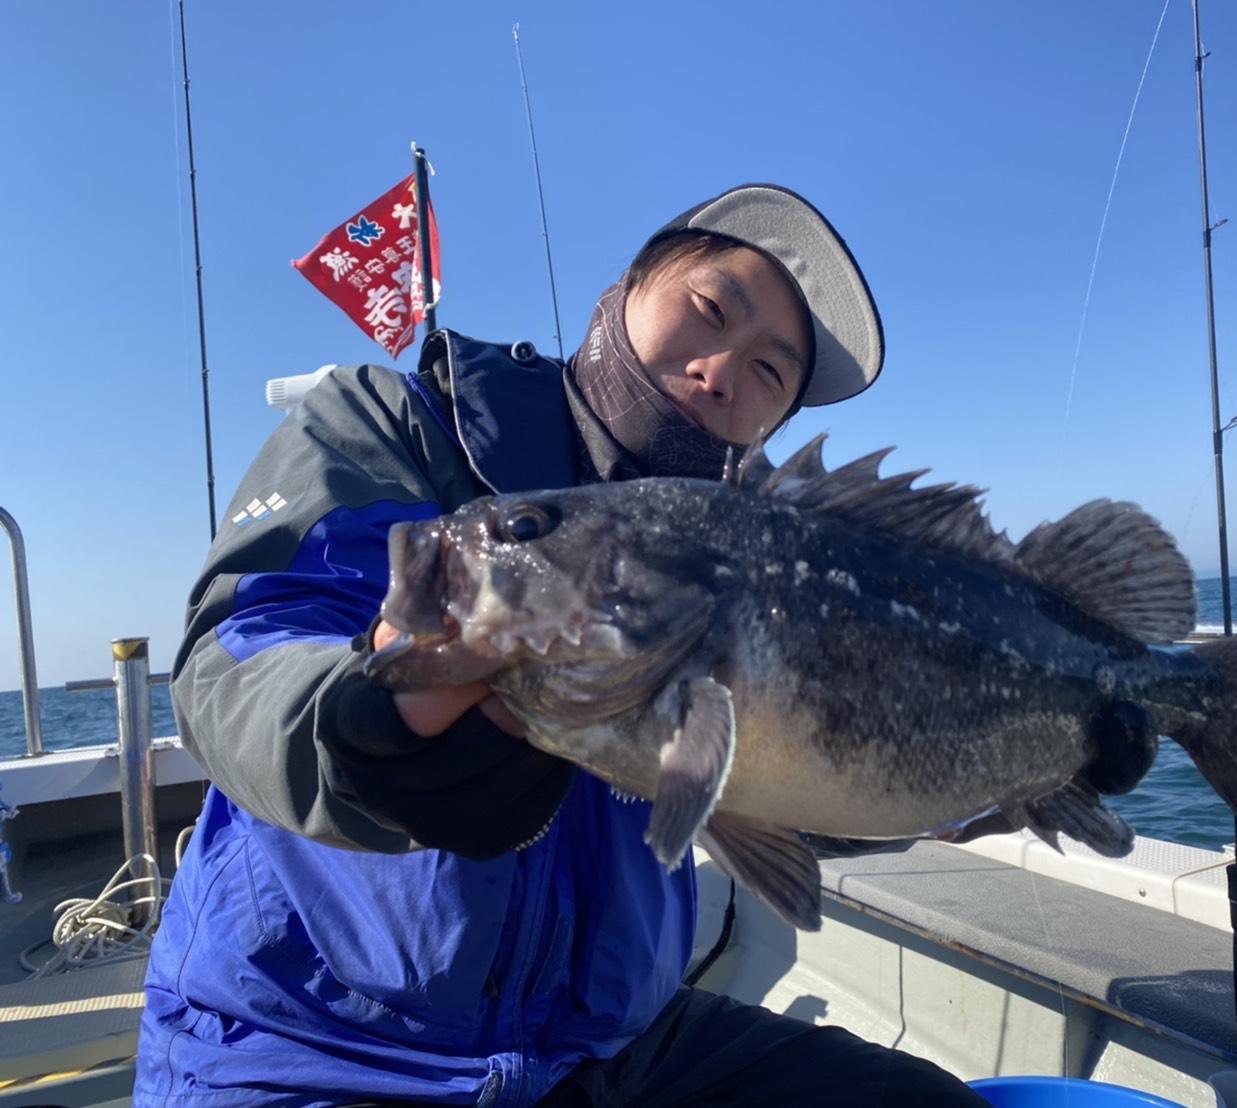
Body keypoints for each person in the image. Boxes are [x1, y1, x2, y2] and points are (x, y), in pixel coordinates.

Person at [136, 184, 986, 1107]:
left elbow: (764, 772)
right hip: (306, 1038)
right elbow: (247, 639)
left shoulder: (744, 566)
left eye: (769, 374)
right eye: (708, 311)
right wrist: (351, 730)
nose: (720, 371)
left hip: (616, 1047)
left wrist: (959, 784)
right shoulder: (390, 420)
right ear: (617, 296)